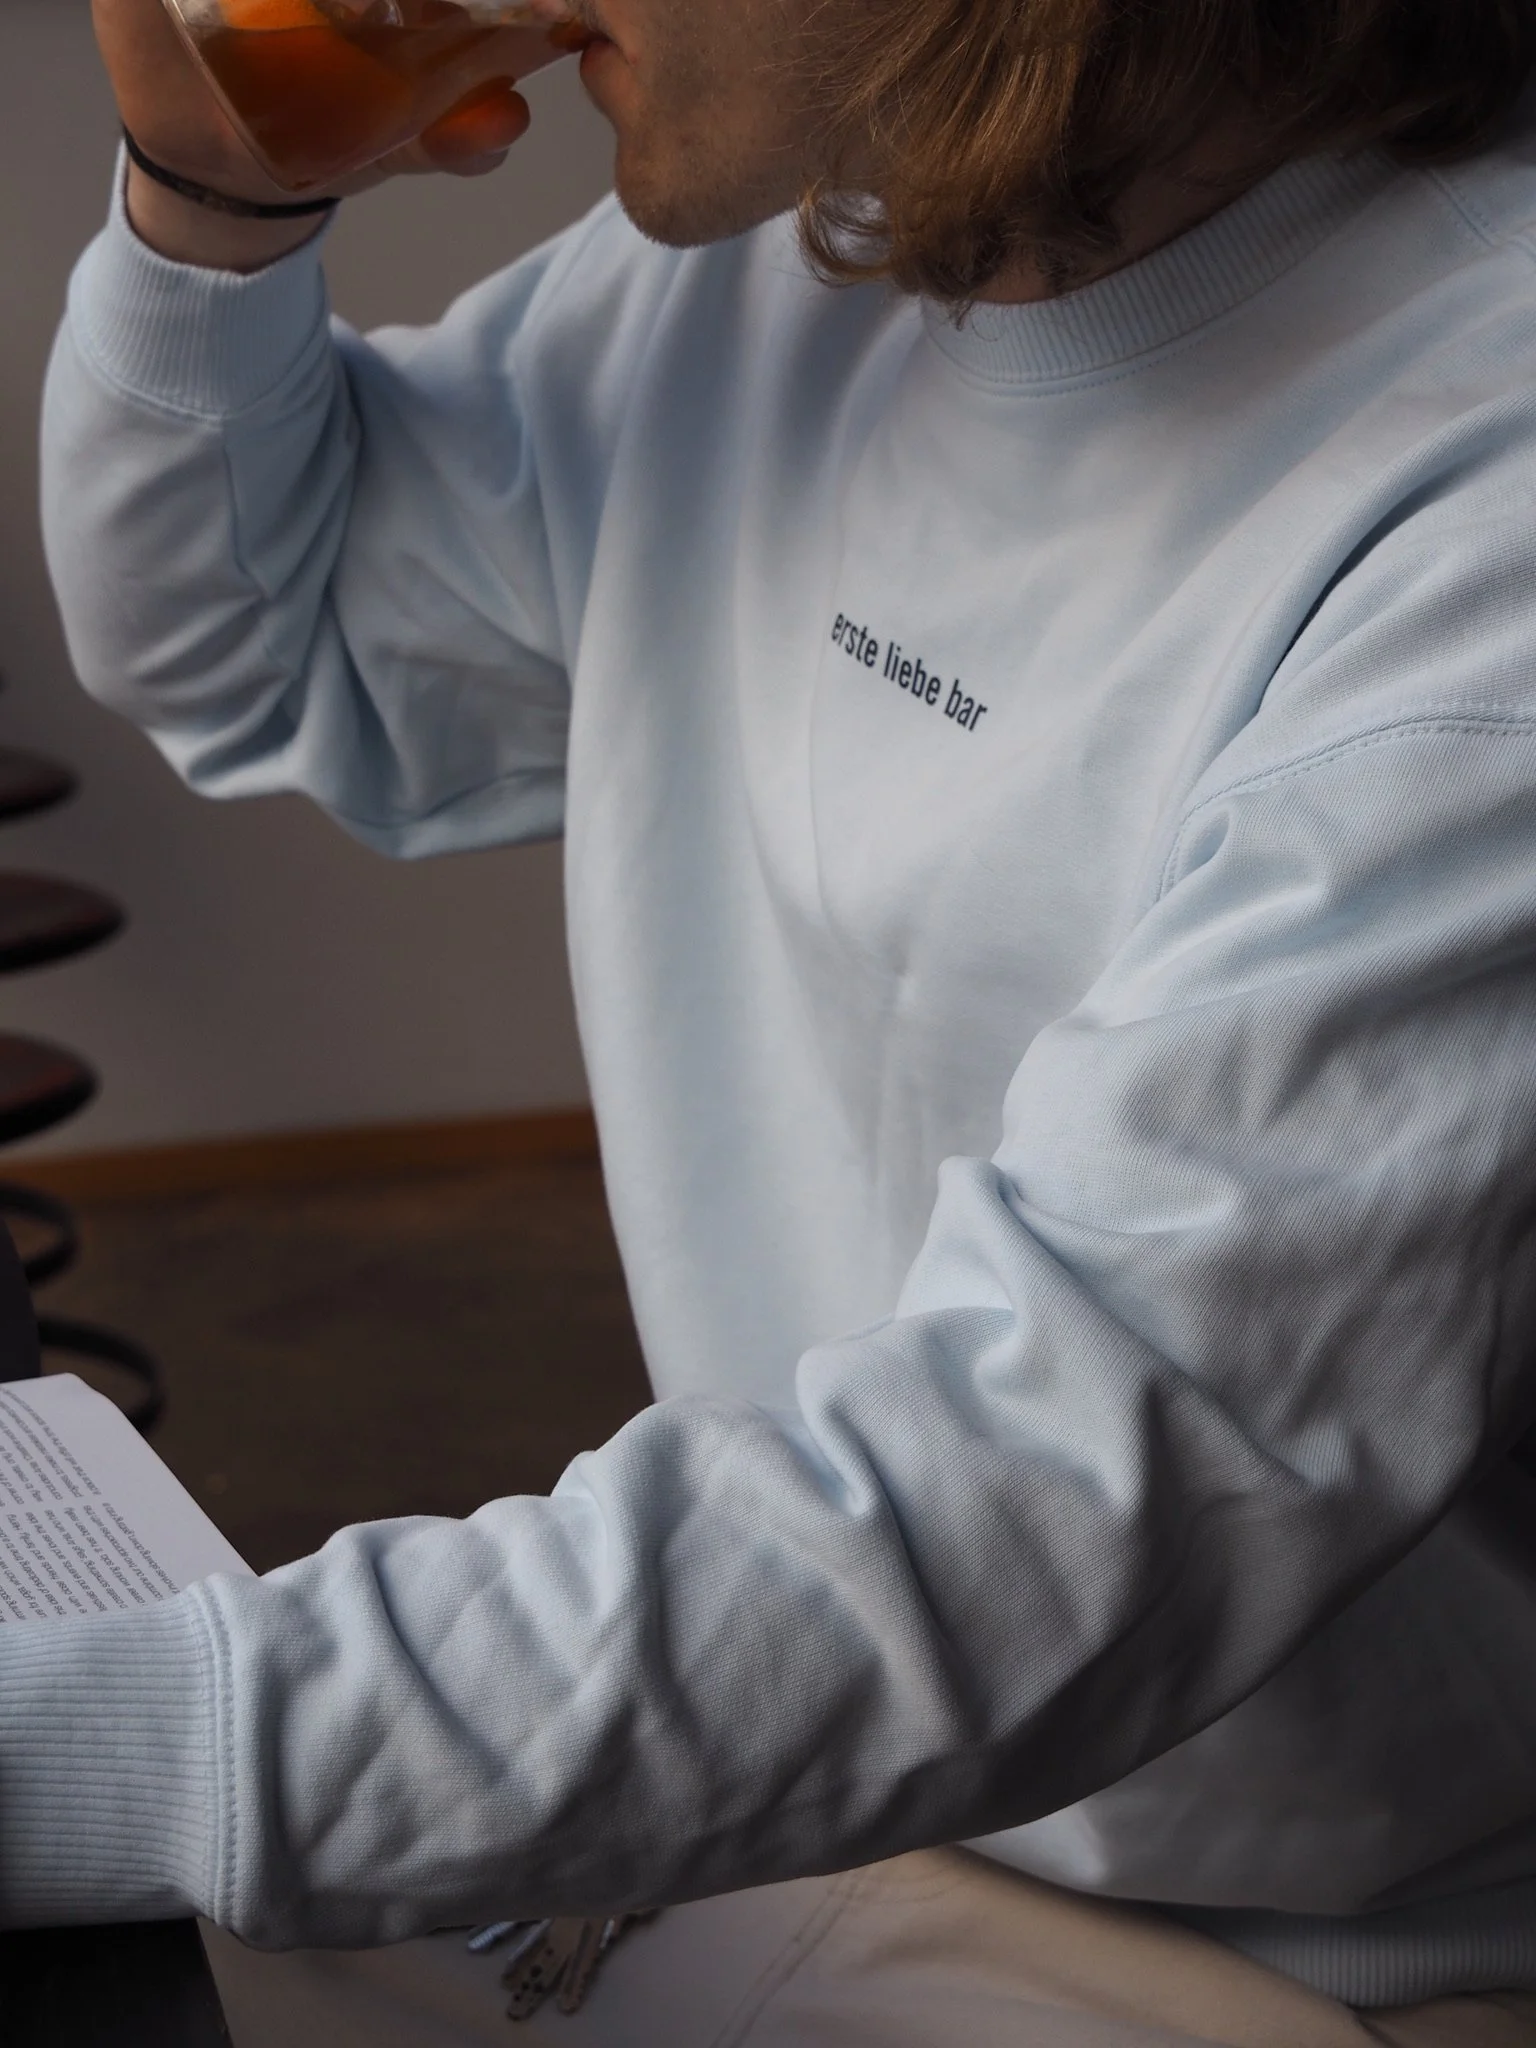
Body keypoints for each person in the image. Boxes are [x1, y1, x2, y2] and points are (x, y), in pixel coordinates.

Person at [11, 0, 1536, 2039]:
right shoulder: (799, 262)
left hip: (1294, 1961)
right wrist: (217, 211)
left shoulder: (1484, 506)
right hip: (801, 1794)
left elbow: (1036, 1506)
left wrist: (108, 1744)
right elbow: (251, 633)